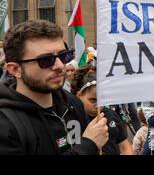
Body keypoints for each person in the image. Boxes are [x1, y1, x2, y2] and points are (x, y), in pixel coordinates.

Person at [0, 20, 108, 155]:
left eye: (63, 56)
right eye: (45, 60)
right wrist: (88, 145)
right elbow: (87, 146)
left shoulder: (72, 104)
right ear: (15, 69)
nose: (59, 66)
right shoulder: (6, 124)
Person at [71, 66, 133, 155]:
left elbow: (124, 147)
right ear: (79, 95)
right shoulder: (72, 119)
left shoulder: (111, 115)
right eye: (93, 100)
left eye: (102, 100)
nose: (98, 106)